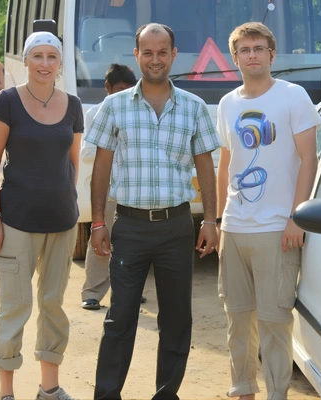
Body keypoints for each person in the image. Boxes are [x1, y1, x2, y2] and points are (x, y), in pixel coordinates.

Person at [85, 23, 220, 399]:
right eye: (148, 52)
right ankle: (107, 395)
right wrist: (97, 222)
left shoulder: (193, 107)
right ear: (137, 56)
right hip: (129, 227)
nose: (155, 59)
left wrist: (211, 219)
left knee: (176, 318)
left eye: (162, 52)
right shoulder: (114, 106)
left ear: (174, 55)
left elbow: (205, 167)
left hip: (176, 227)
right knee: (120, 317)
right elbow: (101, 167)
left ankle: (166, 394)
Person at [215, 22, 321, 400]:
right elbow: (225, 165)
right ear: (235, 58)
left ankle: (277, 394)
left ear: (272, 55)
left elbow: (309, 159)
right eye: (244, 50)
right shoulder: (228, 104)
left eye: (258, 48)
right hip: (234, 228)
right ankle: (243, 390)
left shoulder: (293, 96)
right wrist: (218, 221)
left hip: (277, 228)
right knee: (237, 320)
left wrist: (297, 217)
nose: (252, 55)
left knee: (275, 321)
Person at [0, 31, 83, 400]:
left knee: (53, 304)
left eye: (51, 56)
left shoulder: (73, 105)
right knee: (15, 306)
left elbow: (73, 162)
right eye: (37, 56)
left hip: (62, 222)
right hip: (16, 221)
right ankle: (6, 392)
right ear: (25, 60)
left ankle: (49, 388)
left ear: (60, 63)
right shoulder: (7, 101)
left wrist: (69, 204)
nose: (44, 63)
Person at [79, 63, 148, 310]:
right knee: (101, 237)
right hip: (108, 188)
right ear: (107, 88)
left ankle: (129, 290)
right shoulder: (95, 113)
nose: (125, 94)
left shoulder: (141, 113)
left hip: (135, 188)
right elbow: (87, 152)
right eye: (120, 89)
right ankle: (92, 292)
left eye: (129, 89)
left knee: (133, 243)